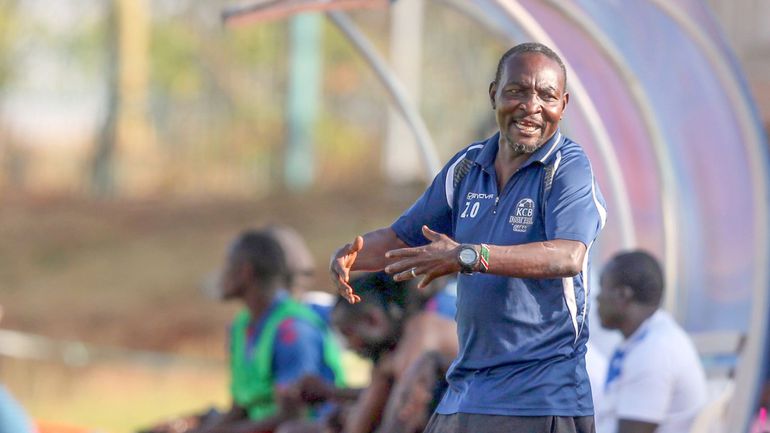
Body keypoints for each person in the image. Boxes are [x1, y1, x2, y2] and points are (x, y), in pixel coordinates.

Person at [330, 42, 606, 433]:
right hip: (470, 387)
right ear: (495, 93)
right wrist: (352, 255)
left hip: (541, 393)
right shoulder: (466, 167)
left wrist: (468, 256)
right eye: (517, 91)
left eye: (546, 95)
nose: (532, 106)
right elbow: (402, 237)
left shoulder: (568, 169)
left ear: (563, 104)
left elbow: (567, 257)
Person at [142, 230, 345, 433]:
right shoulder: (242, 327)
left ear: (245, 272)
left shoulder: (292, 330)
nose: (222, 275)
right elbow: (241, 406)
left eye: (228, 266)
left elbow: (292, 416)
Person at [279, 272, 458, 433]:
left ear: (373, 320)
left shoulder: (422, 331)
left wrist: (347, 409)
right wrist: (334, 395)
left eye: (348, 333)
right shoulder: (395, 353)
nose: (349, 346)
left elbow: (402, 408)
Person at [594, 250, 707, 433]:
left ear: (623, 295)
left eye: (602, 288)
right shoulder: (647, 338)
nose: (597, 298)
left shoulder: (653, 352)